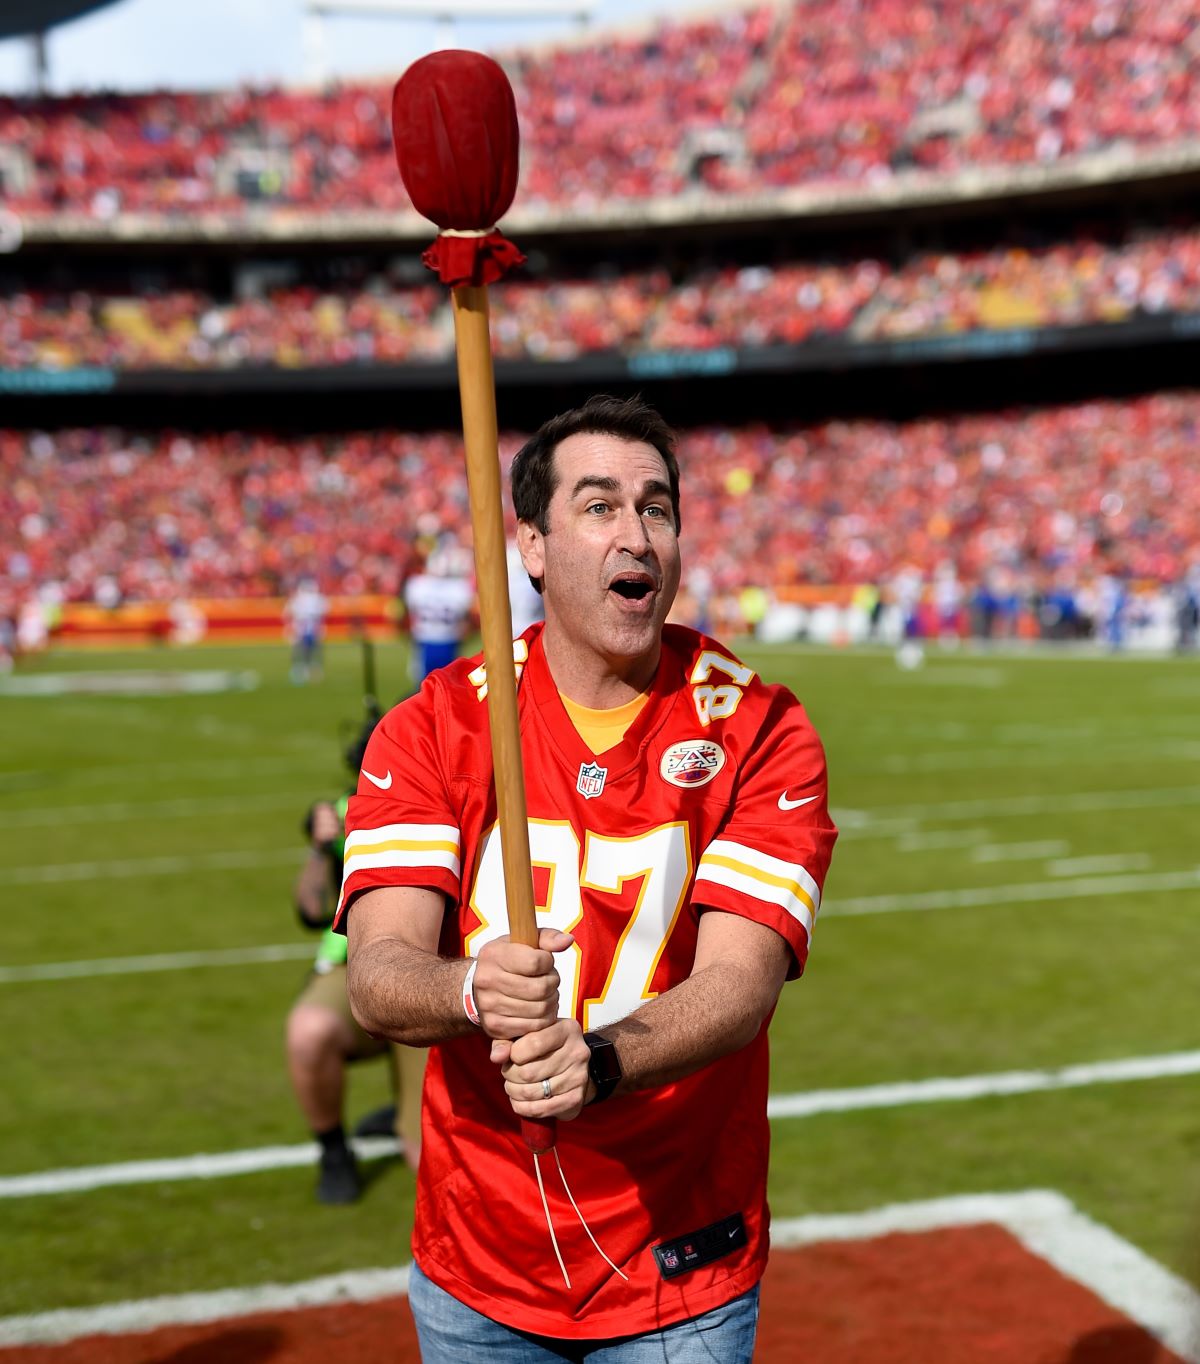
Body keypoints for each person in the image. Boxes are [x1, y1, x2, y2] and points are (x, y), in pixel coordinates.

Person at [335, 395, 837, 1358]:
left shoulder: (761, 728)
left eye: (657, 507)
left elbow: (741, 984)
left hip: (680, 1259)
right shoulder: (435, 723)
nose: (637, 533)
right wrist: (470, 987)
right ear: (530, 545)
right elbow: (378, 973)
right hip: (482, 1253)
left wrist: (599, 1062)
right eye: (599, 506)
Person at [287, 784, 426, 1204]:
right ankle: (333, 1151)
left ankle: (407, 1111)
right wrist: (319, 847)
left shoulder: (471, 792)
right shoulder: (351, 807)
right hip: (355, 962)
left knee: (426, 1158)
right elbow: (311, 913)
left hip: (434, 970)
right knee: (309, 1031)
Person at [402, 540, 475, 686]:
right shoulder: (459, 588)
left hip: (424, 641)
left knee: (424, 687)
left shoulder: (416, 586)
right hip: (449, 640)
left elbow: (408, 615)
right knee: (448, 686)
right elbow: (468, 619)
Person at [284, 576, 328, 683]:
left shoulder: (315, 599)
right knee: (301, 649)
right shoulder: (299, 599)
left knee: (311, 649)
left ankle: (310, 669)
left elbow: (322, 614)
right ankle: (301, 669)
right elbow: (289, 613)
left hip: (310, 627)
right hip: (302, 627)